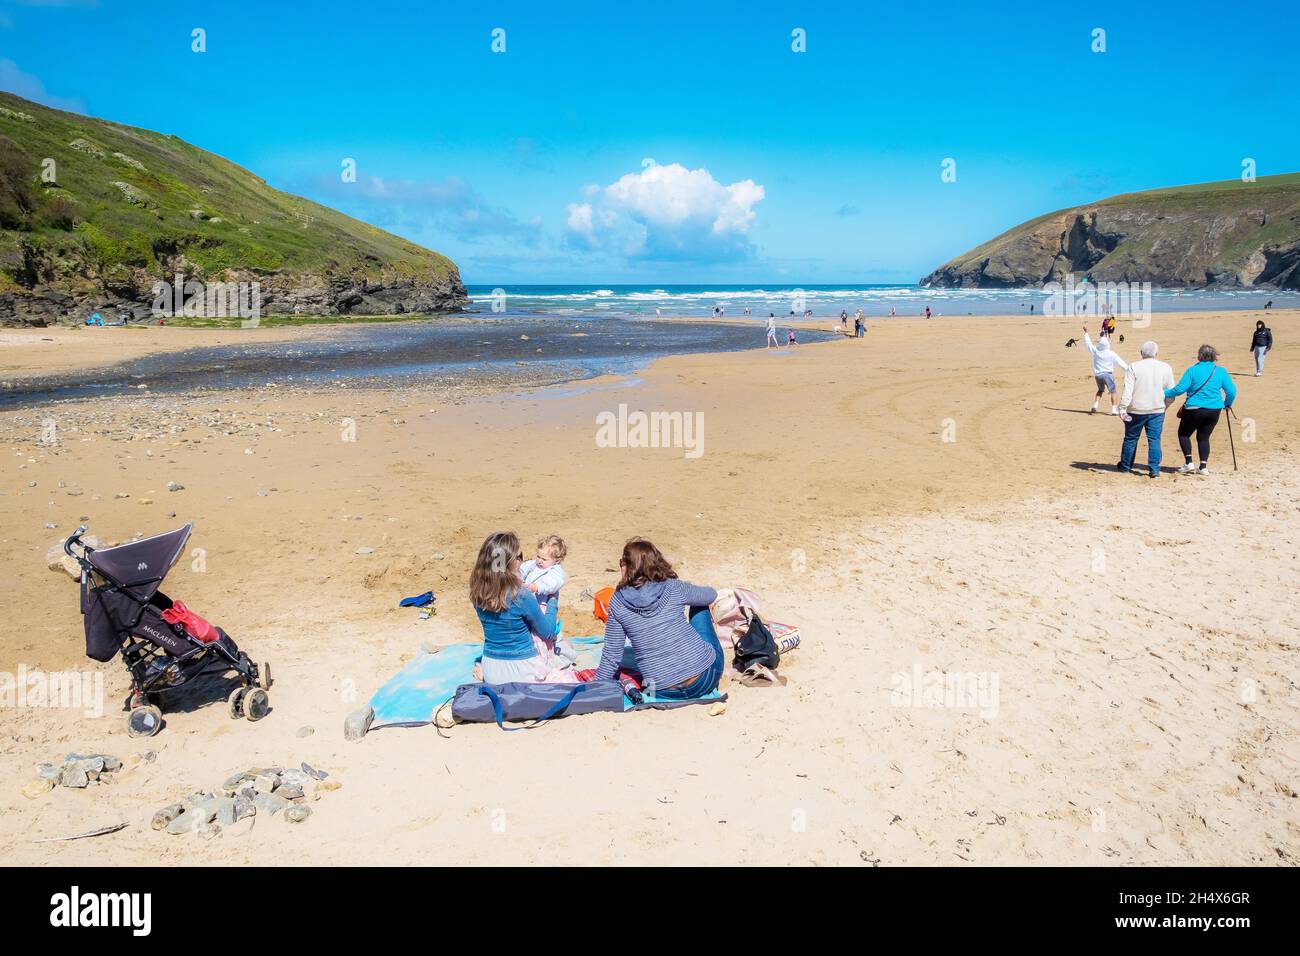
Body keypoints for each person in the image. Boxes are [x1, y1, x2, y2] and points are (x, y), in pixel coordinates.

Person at [593, 538, 722, 700]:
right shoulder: (672, 586)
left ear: (626, 567)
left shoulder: (617, 601)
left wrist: (595, 688)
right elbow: (711, 594)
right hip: (705, 679)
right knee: (700, 604)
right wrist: (685, 588)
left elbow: (611, 656)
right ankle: (697, 656)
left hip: (662, 691)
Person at [469, 531, 559, 684]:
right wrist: (552, 599)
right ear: (511, 562)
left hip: (492, 670)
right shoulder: (521, 595)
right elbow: (548, 633)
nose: (522, 561)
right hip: (523, 671)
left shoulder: (477, 591)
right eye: (519, 557)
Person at [1165, 344, 1237, 475]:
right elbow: (1231, 391)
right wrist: (1227, 404)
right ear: (1214, 357)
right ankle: (1203, 467)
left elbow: (1180, 389)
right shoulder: (1220, 371)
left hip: (1194, 409)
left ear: (1199, 356)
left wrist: (1165, 393)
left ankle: (1189, 463)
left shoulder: (1192, 370)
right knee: (1204, 437)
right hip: (1214, 410)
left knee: (1184, 434)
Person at [1117, 340, 1175, 477]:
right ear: (1156, 353)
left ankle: (1125, 466)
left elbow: (1127, 391)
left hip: (1136, 409)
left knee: (1131, 438)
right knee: (1154, 439)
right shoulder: (1165, 367)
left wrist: (1122, 408)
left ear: (1141, 353)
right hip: (1157, 410)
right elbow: (1171, 392)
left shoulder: (1133, 367)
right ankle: (1154, 469)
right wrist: (1165, 405)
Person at [520, 534, 569, 656]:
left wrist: (535, 587)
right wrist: (518, 576)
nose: (539, 561)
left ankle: (546, 648)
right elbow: (523, 568)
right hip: (529, 601)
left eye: (544, 559)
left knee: (540, 631)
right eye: (538, 556)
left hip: (543, 605)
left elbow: (552, 584)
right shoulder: (534, 564)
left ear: (556, 560)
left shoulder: (556, 571)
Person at [1081, 324, 1130, 415]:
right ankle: (1114, 410)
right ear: (1107, 344)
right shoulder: (1111, 353)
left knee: (1100, 390)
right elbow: (1121, 363)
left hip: (1098, 375)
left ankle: (1095, 405)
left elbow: (1088, 344)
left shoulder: (1096, 351)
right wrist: (1129, 370)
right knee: (1113, 391)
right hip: (1108, 374)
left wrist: (1086, 333)